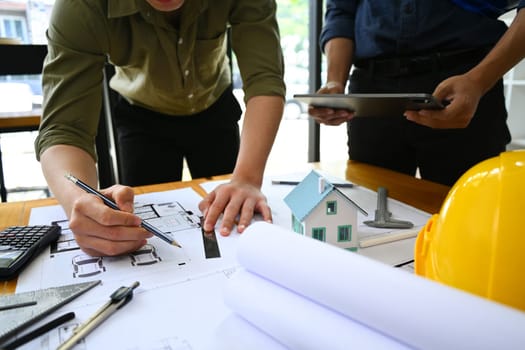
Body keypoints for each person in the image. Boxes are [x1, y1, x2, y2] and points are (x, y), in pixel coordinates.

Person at [35, 0, 285, 256]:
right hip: (141, 118)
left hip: (215, 107)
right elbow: (64, 127)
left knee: (233, 215)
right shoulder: (81, 6)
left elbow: (265, 80)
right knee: (142, 224)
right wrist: (79, 200)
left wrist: (247, 179)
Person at [309, 1, 525, 186]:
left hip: (467, 81)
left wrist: (478, 81)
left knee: (471, 216)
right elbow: (342, 11)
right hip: (373, 90)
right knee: (370, 215)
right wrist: (334, 81)